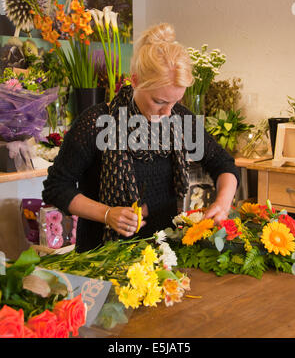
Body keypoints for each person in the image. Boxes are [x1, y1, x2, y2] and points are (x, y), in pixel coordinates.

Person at [42, 23, 240, 253]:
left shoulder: (179, 120)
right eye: (159, 101)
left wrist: (222, 204)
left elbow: (223, 164)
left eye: (175, 102)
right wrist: (107, 214)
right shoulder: (97, 123)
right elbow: (56, 187)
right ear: (134, 81)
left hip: (166, 252)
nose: (168, 112)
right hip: (102, 257)